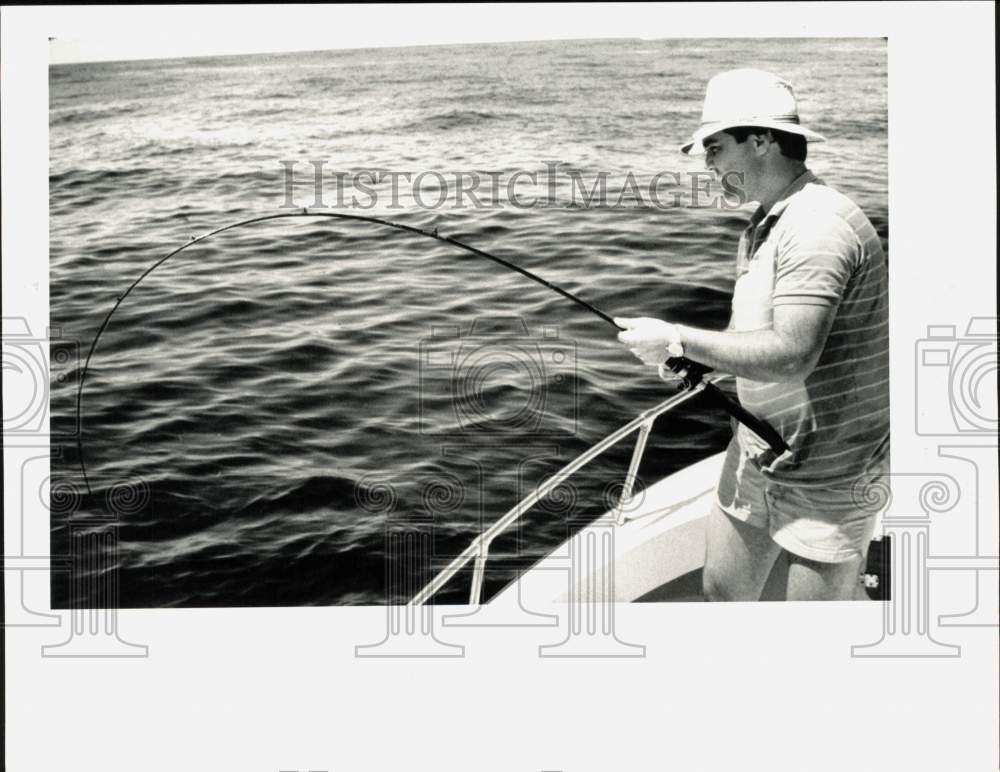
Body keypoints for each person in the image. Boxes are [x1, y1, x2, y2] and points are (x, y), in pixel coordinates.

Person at [616, 68, 889, 601]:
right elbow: (762, 336)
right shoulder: (769, 221)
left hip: (829, 469)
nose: (709, 165)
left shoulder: (817, 227)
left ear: (761, 140)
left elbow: (790, 356)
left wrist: (678, 338)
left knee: (813, 640)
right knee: (722, 589)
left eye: (715, 147)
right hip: (757, 449)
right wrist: (705, 360)